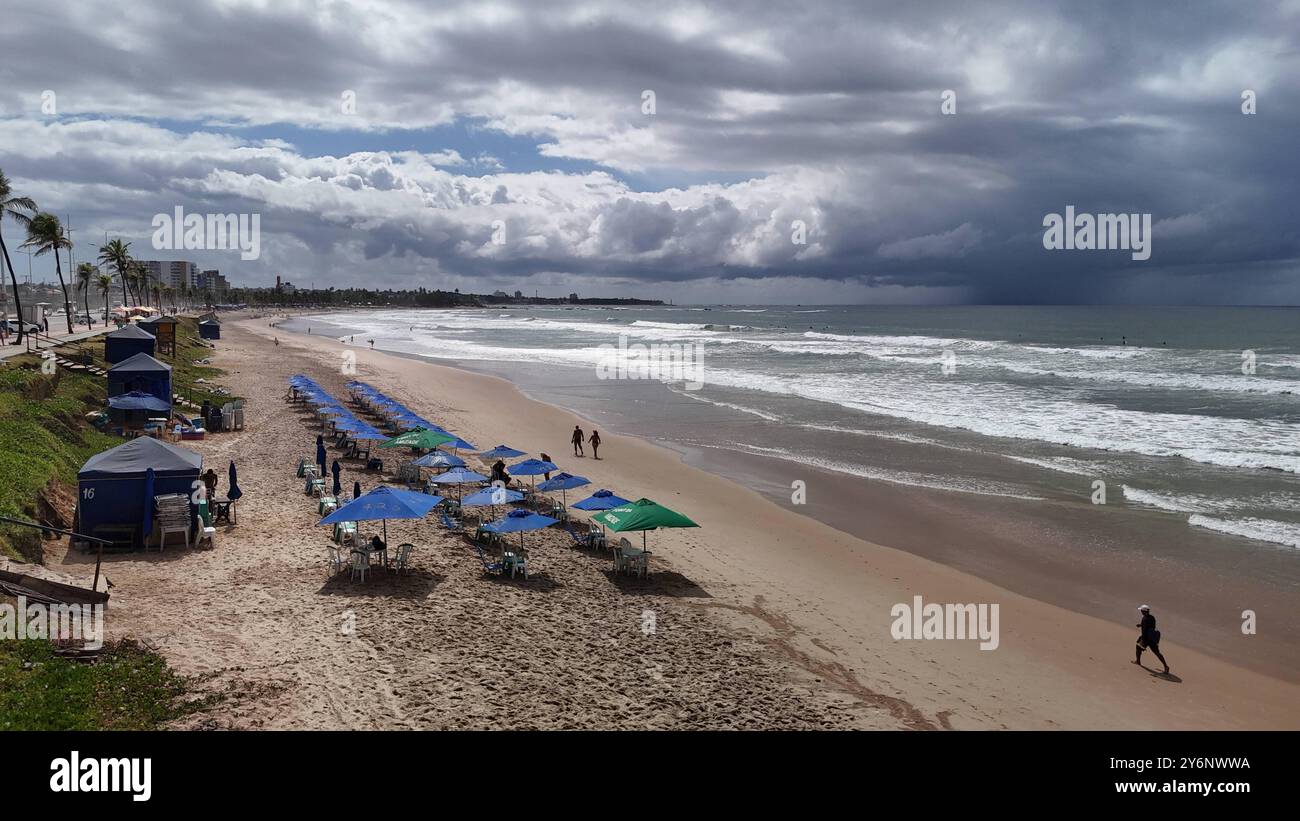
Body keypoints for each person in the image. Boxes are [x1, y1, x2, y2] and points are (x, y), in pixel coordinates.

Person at [1133, 604, 1170, 674]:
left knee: (1138, 647)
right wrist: (1140, 625)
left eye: (1141, 610)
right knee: (1157, 653)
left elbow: (1144, 630)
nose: (1141, 611)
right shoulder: (1152, 617)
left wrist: (1143, 640)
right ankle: (1166, 666)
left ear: (1144, 611)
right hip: (1152, 638)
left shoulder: (1144, 619)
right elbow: (1151, 626)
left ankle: (1138, 661)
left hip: (1146, 638)